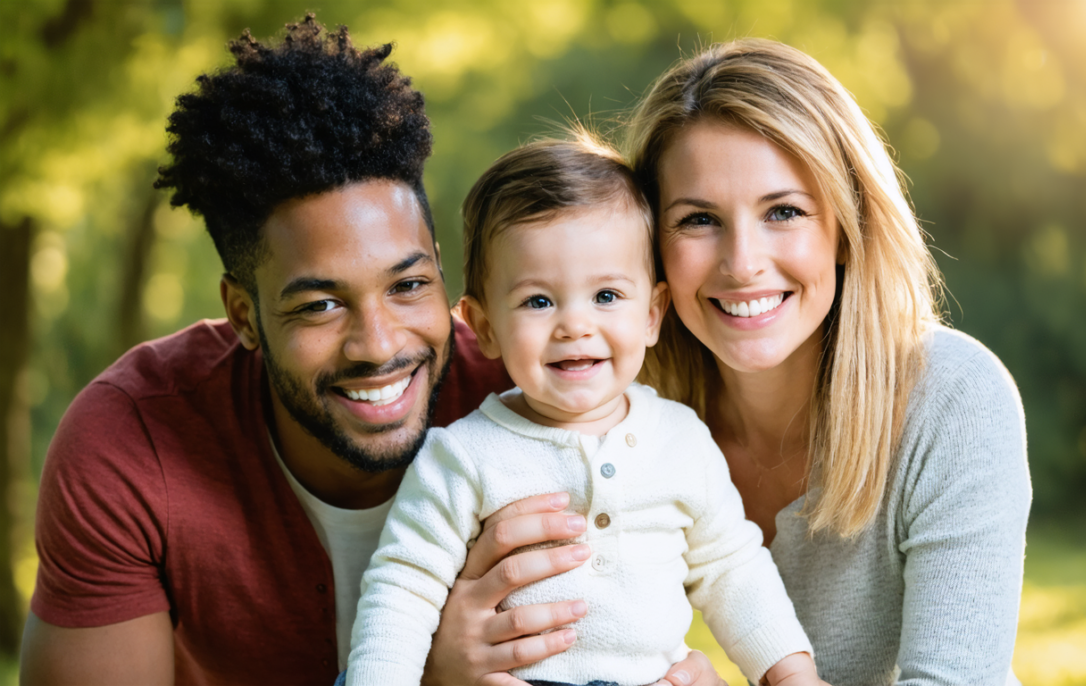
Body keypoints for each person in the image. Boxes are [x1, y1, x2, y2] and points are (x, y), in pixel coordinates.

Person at [22, 17, 733, 686]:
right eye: (320, 305)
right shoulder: (132, 447)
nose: (380, 345)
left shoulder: (547, 387)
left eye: (408, 285)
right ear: (242, 313)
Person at [430, 39, 1031, 686]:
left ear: (847, 227)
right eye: (698, 220)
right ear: (647, 246)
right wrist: (441, 665)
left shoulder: (952, 398)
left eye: (784, 211)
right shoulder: (592, 392)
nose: (742, 262)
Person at [344, 137, 819, 686]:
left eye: (607, 296)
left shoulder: (680, 439)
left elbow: (731, 569)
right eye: (539, 301)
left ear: (652, 314)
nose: (575, 326)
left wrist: (791, 674)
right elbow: (404, 586)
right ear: (485, 326)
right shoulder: (461, 457)